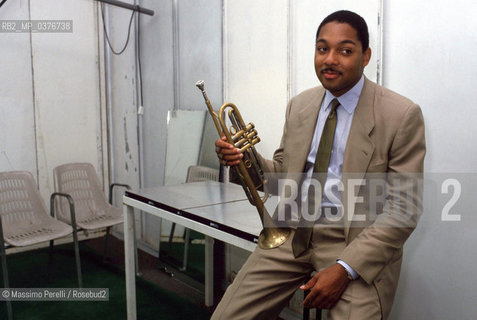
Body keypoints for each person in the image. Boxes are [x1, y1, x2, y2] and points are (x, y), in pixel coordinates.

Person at [212, 10, 425, 320]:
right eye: (322, 48)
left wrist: (344, 268)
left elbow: (403, 210)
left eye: (345, 50)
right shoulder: (300, 105)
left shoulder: (401, 115)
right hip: (292, 233)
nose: (330, 59)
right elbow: (282, 178)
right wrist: (245, 160)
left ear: (365, 56)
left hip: (354, 242)